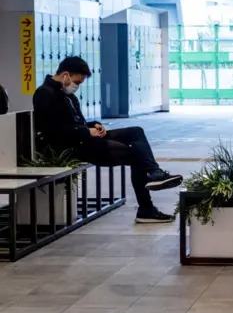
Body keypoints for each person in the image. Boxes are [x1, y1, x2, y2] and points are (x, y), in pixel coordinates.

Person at [33, 56, 182, 224]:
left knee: (136, 132)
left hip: (82, 139)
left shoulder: (67, 95)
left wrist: (94, 126)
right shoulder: (45, 94)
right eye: (77, 82)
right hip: (69, 147)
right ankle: (146, 208)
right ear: (65, 75)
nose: (77, 86)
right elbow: (53, 131)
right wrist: (86, 131)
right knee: (136, 154)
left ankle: (154, 173)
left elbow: (76, 122)